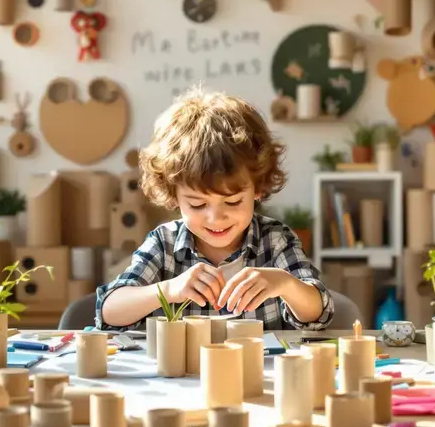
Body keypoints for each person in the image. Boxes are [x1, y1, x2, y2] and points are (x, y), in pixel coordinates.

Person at [95, 89, 333, 331]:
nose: (216, 218)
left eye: (232, 202)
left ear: (258, 189)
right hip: (181, 369)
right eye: (197, 204)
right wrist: (167, 290)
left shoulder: (274, 240)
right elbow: (108, 311)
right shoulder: (164, 243)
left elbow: (318, 314)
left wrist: (286, 284)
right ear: (174, 195)